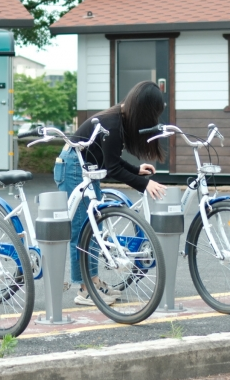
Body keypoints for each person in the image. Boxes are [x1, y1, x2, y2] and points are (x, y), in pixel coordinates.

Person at [53, 80, 168, 306]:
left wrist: (136, 169)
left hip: (86, 168)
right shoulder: (113, 124)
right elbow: (113, 169)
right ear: (144, 109)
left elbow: (110, 160)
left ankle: (93, 282)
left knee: (94, 227)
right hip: (73, 167)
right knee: (82, 228)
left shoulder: (119, 119)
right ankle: (85, 288)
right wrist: (144, 184)